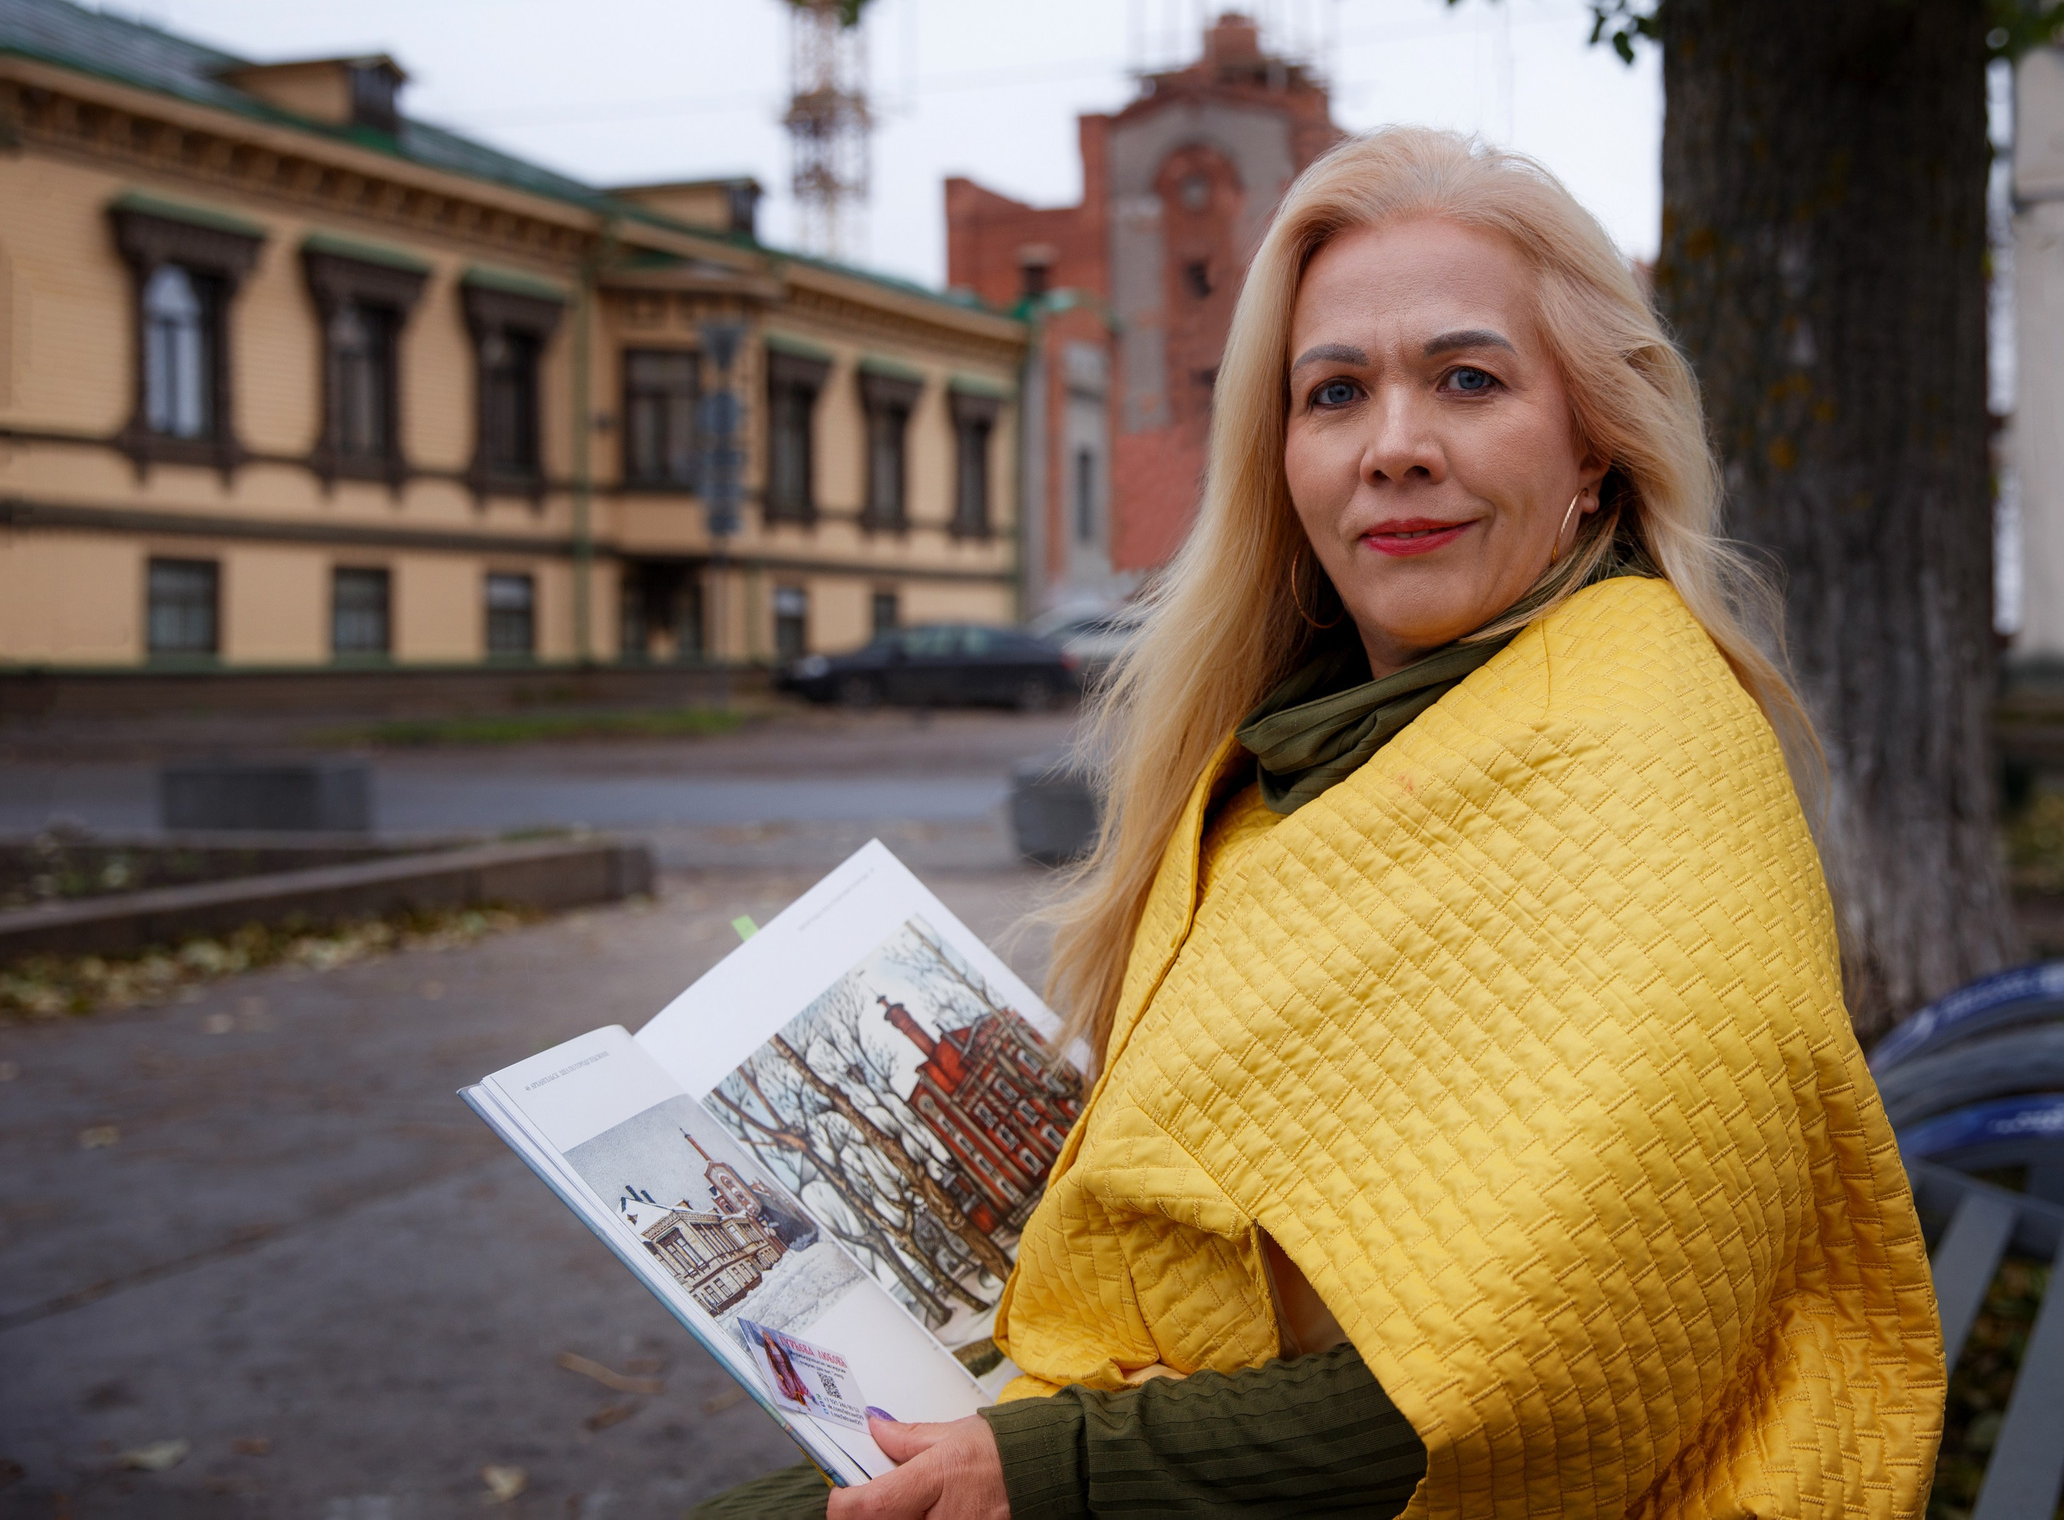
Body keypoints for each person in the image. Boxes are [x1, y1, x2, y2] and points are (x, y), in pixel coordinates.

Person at [696, 127, 1943, 1520]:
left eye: (1468, 380)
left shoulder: (1639, 751)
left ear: (1595, 446)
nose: (1397, 447)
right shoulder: (1309, 742)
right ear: (1280, 453)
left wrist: (1052, 1473)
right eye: (1336, 392)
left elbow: (1552, 1373)